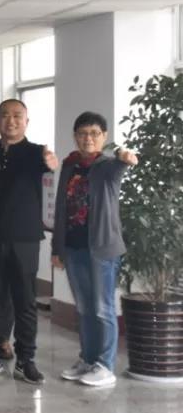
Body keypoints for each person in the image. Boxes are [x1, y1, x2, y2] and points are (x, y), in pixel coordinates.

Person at [52, 112, 138, 389]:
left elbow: (123, 163)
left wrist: (125, 156)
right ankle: (88, 359)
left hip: (102, 248)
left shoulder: (108, 167)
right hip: (74, 247)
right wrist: (57, 247)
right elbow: (61, 207)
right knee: (84, 308)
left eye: (94, 133)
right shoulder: (70, 165)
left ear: (104, 136)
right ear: (75, 136)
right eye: (82, 133)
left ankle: (105, 365)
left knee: (102, 308)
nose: (88, 138)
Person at [0, 99, 58, 384]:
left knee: (25, 301)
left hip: (24, 237)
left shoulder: (36, 152)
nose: (11, 121)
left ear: (26, 121)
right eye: (4, 115)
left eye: (17, 116)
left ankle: (26, 359)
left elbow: (48, 164)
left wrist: (50, 163)